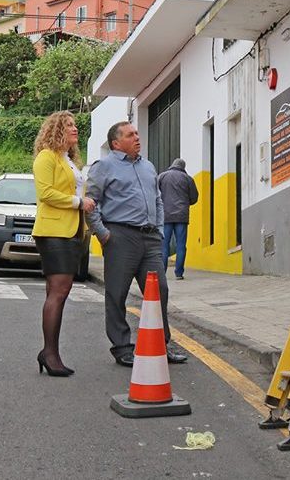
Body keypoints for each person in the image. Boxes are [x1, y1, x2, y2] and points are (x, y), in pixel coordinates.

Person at [86, 122, 188, 367]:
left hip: (151, 238)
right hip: (120, 236)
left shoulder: (148, 166)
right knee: (116, 294)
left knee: (159, 291)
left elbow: (158, 200)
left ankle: (161, 344)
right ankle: (122, 347)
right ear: (116, 143)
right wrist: (103, 234)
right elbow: (90, 203)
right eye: (130, 135)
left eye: (137, 133)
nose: (137, 137)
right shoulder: (104, 166)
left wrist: (161, 229)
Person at [32, 111, 95, 378]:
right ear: (56, 130)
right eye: (68, 125)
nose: (74, 129)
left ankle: (50, 352)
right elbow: (45, 193)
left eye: (75, 125)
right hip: (54, 231)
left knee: (58, 292)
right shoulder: (46, 157)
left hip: (71, 232)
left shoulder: (68, 161)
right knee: (58, 292)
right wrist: (79, 202)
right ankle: (50, 353)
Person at [157, 158, 199, 280]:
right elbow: (194, 197)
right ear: (183, 167)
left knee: (164, 245)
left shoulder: (162, 176)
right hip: (182, 216)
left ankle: (162, 273)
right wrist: (185, 203)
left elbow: (155, 194)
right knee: (181, 245)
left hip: (165, 216)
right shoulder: (188, 179)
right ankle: (179, 273)